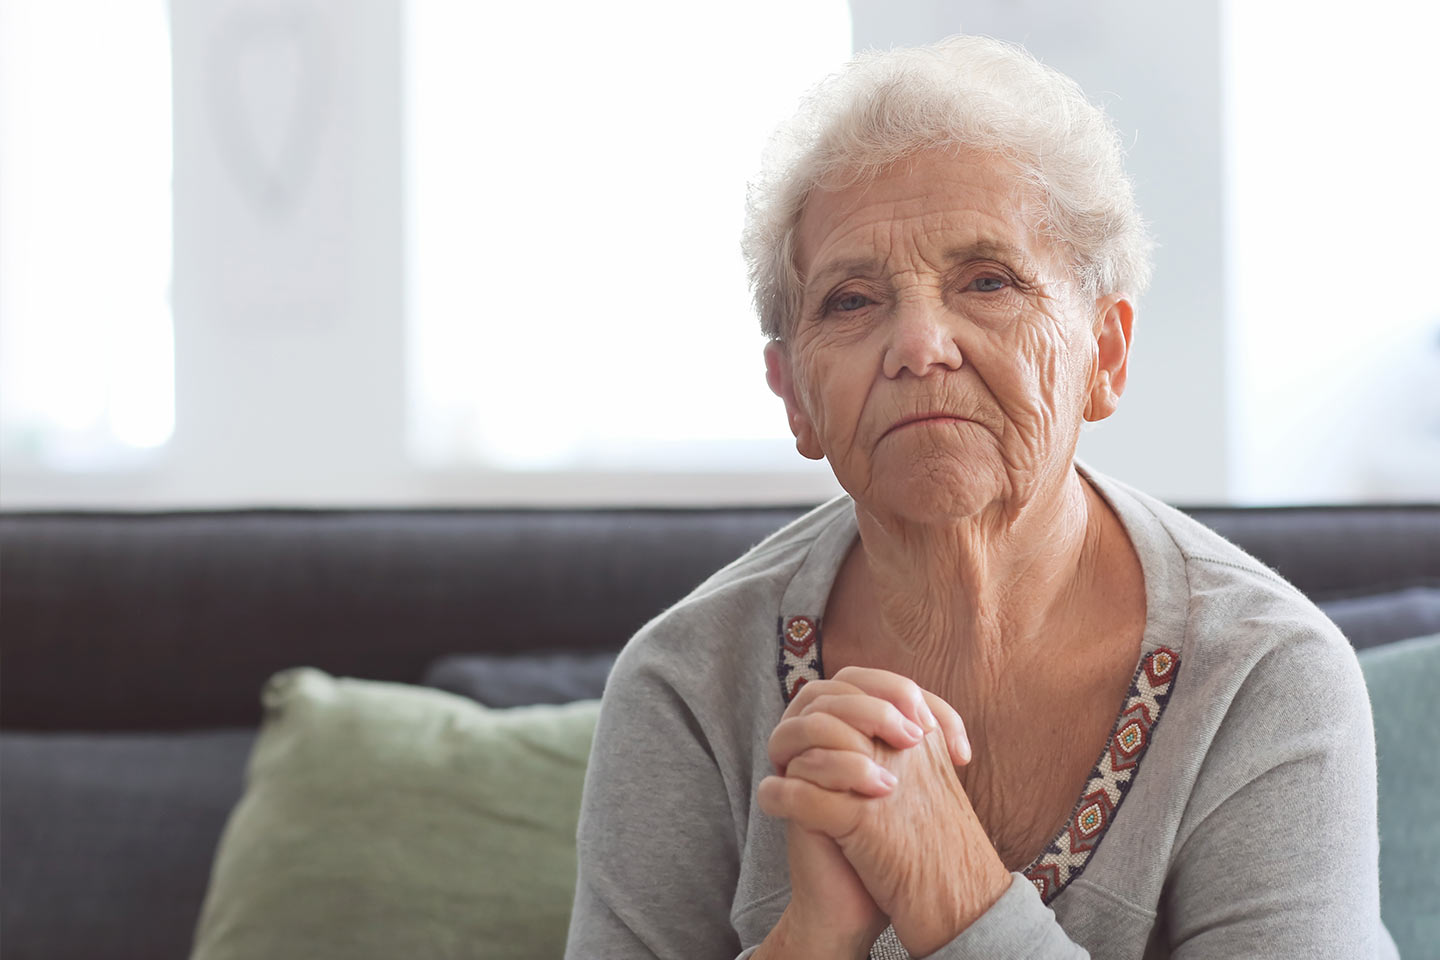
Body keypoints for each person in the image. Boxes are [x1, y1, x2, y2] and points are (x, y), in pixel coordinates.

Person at [564, 35, 1395, 959]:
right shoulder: (683, 684)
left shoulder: (1265, 673)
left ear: (1105, 354)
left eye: (988, 281)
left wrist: (953, 889)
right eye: (851, 301)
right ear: (794, 396)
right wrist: (811, 939)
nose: (920, 344)